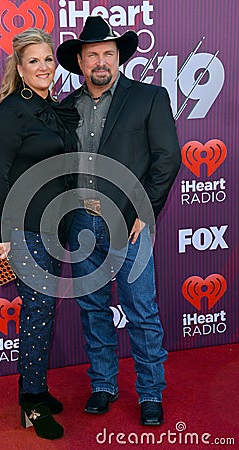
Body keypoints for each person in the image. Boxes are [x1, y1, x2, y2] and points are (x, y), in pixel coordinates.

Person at [57, 16, 181, 426]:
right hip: (81, 224)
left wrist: (145, 210)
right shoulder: (65, 108)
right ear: (80, 60)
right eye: (92, 53)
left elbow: (167, 159)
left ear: (118, 58)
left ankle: (150, 392)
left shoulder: (149, 97)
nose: (101, 61)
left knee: (141, 310)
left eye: (108, 53)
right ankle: (104, 385)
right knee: (93, 308)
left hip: (130, 224)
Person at [0, 28, 78, 440]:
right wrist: (3, 234)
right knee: (38, 314)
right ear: (19, 69)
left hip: (51, 228)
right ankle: (33, 403)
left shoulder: (49, 109)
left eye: (48, 60)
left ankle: (32, 387)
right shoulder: (10, 114)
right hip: (23, 229)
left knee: (43, 312)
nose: (43, 67)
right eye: (34, 60)